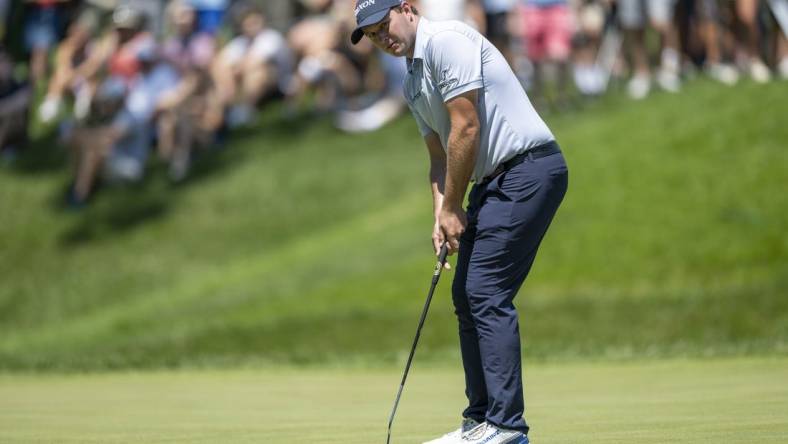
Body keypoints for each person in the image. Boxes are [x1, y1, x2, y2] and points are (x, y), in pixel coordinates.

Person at [351, 1, 568, 443]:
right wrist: (440, 213)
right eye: (371, 35)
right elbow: (437, 156)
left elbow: (465, 128)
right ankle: (482, 419)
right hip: (493, 182)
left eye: (383, 24)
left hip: (527, 169)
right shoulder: (412, 80)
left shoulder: (448, 41)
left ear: (406, 9)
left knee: (485, 291)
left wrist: (454, 207)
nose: (381, 38)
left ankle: (506, 426)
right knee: (466, 295)